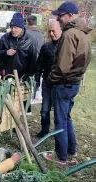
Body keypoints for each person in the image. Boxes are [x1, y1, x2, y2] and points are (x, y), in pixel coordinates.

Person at [42, 2, 92, 165]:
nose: (58, 19)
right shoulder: (84, 33)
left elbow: (62, 66)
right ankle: (72, 149)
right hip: (74, 83)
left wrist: (51, 79)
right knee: (67, 118)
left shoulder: (70, 34)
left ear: (70, 15)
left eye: (61, 15)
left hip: (64, 84)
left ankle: (61, 156)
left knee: (60, 120)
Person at [35, 21, 62, 138]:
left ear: (60, 30)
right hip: (47, 82)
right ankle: (44, 130)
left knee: (59, 112)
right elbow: (39, 64)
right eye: (49, 31)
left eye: (53, 31)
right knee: (45, 110)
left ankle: (59, 133)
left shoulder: (65, 46)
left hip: (60, 84)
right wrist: (37, 79)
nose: (51, 33)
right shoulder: (46, 46)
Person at [0, 12, 37, 79]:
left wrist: (28, 77)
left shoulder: (30, 41)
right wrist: (5, 53)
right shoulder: (5, 38)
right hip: (6, 77)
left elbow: (33, 62)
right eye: (12, 27)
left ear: (21, 28)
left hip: (22, 78)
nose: (13, 30)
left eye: (16, 27)